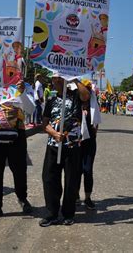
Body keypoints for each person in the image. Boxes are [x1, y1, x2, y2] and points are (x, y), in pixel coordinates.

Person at [40, 74, 90, 227]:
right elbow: (45, 123)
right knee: (49, 179)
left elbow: (86, 95)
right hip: (54, 146)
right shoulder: (51, 100)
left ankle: (68, 213)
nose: (57, 81)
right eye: (54, 78)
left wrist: (73, 78)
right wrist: (54, 134)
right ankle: (52, 214)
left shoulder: (75, 96)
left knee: (71, 181)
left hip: (72, 146)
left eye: (60, 77)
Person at [0, 80, 35, 222]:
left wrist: (22, 92)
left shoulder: (25, 86)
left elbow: (30, 109)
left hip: (17, 134)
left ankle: (22, 199)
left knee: (19, 169)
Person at [76, 80, 101, 210]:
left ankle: (87, 197)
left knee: (87, 170)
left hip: (89, 142)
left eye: (87, 89)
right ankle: (74, 195)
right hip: (75, 142)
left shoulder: (93, 103)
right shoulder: (74, 103)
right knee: (75, 170)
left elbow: (96, 123)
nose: (85, 92)